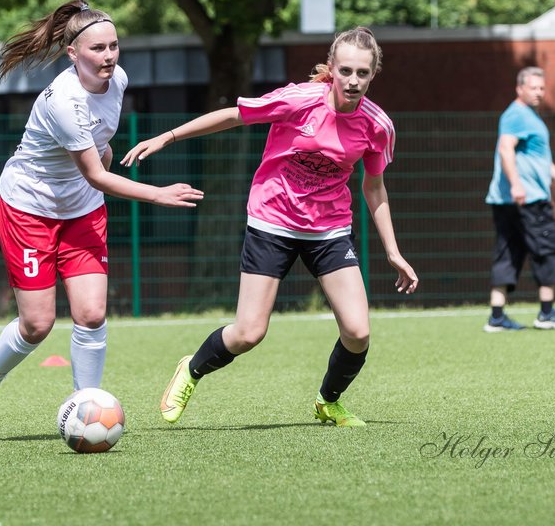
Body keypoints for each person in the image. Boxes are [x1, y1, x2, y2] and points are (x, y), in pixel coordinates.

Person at [122, 26, 418, 428]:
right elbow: (233, 115)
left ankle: (327, 402)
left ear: (373, 74)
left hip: (328, 230)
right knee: (248, 333)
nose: (353, 81)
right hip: (272, 220)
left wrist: (393, 251)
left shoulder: (377, 126)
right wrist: (168, 137)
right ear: (331, 69)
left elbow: (374, 186)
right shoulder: (298, 100)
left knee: (358, 331)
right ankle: (191, 369)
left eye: (362, 73)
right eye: (345, 71)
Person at [0, 0, 203, 427]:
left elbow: (101, 144)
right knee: (36, 325)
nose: (108, 56)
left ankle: (83, 407)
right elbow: (95, 174)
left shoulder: (119, 80)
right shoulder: (63, 102)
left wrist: (106, 157)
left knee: (91, 314)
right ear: (73, 54)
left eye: (113, 46)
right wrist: (156, 194)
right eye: (97, 49)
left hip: (82, 210)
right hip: (29, 208)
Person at [483, 66, 555, 332]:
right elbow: (505, 149)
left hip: (508, 200)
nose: (538, 93)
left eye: (541, 88)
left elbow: (538, 159)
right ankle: (546, 313)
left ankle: (497, 316)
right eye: (533, 88)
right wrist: (516, 184)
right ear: (519, 89)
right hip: (527, 198)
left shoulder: (528, 117)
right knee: (546, 249)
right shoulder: (517, 115)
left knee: (508, 252)